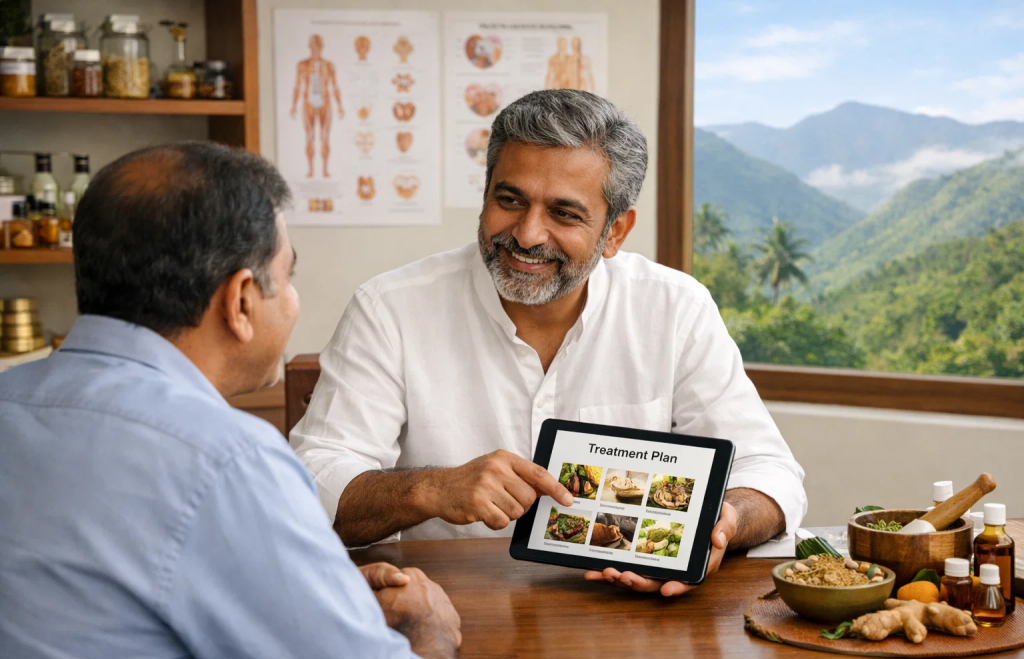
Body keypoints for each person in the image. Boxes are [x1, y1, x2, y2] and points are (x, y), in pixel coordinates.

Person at [290, 89, 807, 597]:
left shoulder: (676, 308)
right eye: (509, 199)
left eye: (564, 213)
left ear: (615, 232)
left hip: (634, 613)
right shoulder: (389, 308)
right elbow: (308, 485)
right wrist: (431, 488)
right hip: (443, 606)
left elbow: (769, 471)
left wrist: (726, 521)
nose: (528, 233)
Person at [0, 143, 462, 659]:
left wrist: (314, 598)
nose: (292, 300)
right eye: (287, 277)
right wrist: (428, 628)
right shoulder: (225, 459)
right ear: (241, 301)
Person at [290, 34, 344, 178]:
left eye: (318, 45)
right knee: (310, 136)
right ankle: (311, 170)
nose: (315, 48)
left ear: (322, 47)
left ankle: (325, 170)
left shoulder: (329, 65)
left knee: (325, 137)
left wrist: (340, 106)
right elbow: (297, 86)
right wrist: (294, 105)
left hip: (325, 101)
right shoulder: (302, 65)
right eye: (313, 45)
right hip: (308, 101)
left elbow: (335, 87)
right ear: (309, 46)